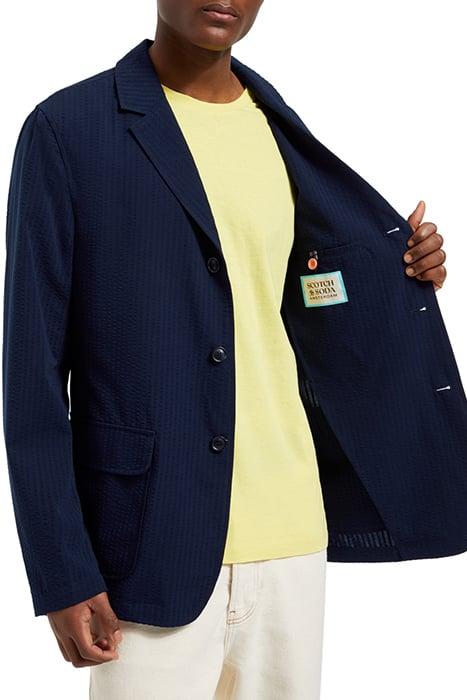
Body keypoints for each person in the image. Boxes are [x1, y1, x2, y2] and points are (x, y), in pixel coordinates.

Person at [4, 2, 465, 699]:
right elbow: (30, 375)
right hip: (147, 540)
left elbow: (305, 296)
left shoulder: (276, 127)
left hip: (290, 532)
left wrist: (396, 268)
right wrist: (62, 571)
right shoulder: (68, 130)